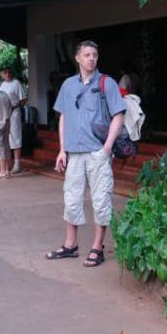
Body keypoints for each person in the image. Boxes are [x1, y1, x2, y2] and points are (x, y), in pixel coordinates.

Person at [45, 40, 126, 268]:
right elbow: (63, 117)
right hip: (74, 153)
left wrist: (107, 148)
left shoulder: (106, 83)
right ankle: (70, 245)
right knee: (71, 199)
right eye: (87, 55)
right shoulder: (68, 85)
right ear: (78, 58)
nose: (91, 58)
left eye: (94, 55)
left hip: (97, 153)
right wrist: (62, 149)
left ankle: (97, 247)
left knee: (100, 201)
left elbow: (118, 116)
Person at [0, 65, 28, 174]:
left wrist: (16, 107)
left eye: (9, 72)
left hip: (14, 112)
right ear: (2, 74)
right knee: (6, 138)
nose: (7, 74)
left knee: (16, 137)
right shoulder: (1, 85)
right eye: (5, 72)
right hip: (4, 114)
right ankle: (8, 164)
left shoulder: (16, 83)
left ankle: (17, 164)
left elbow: (24, 99)